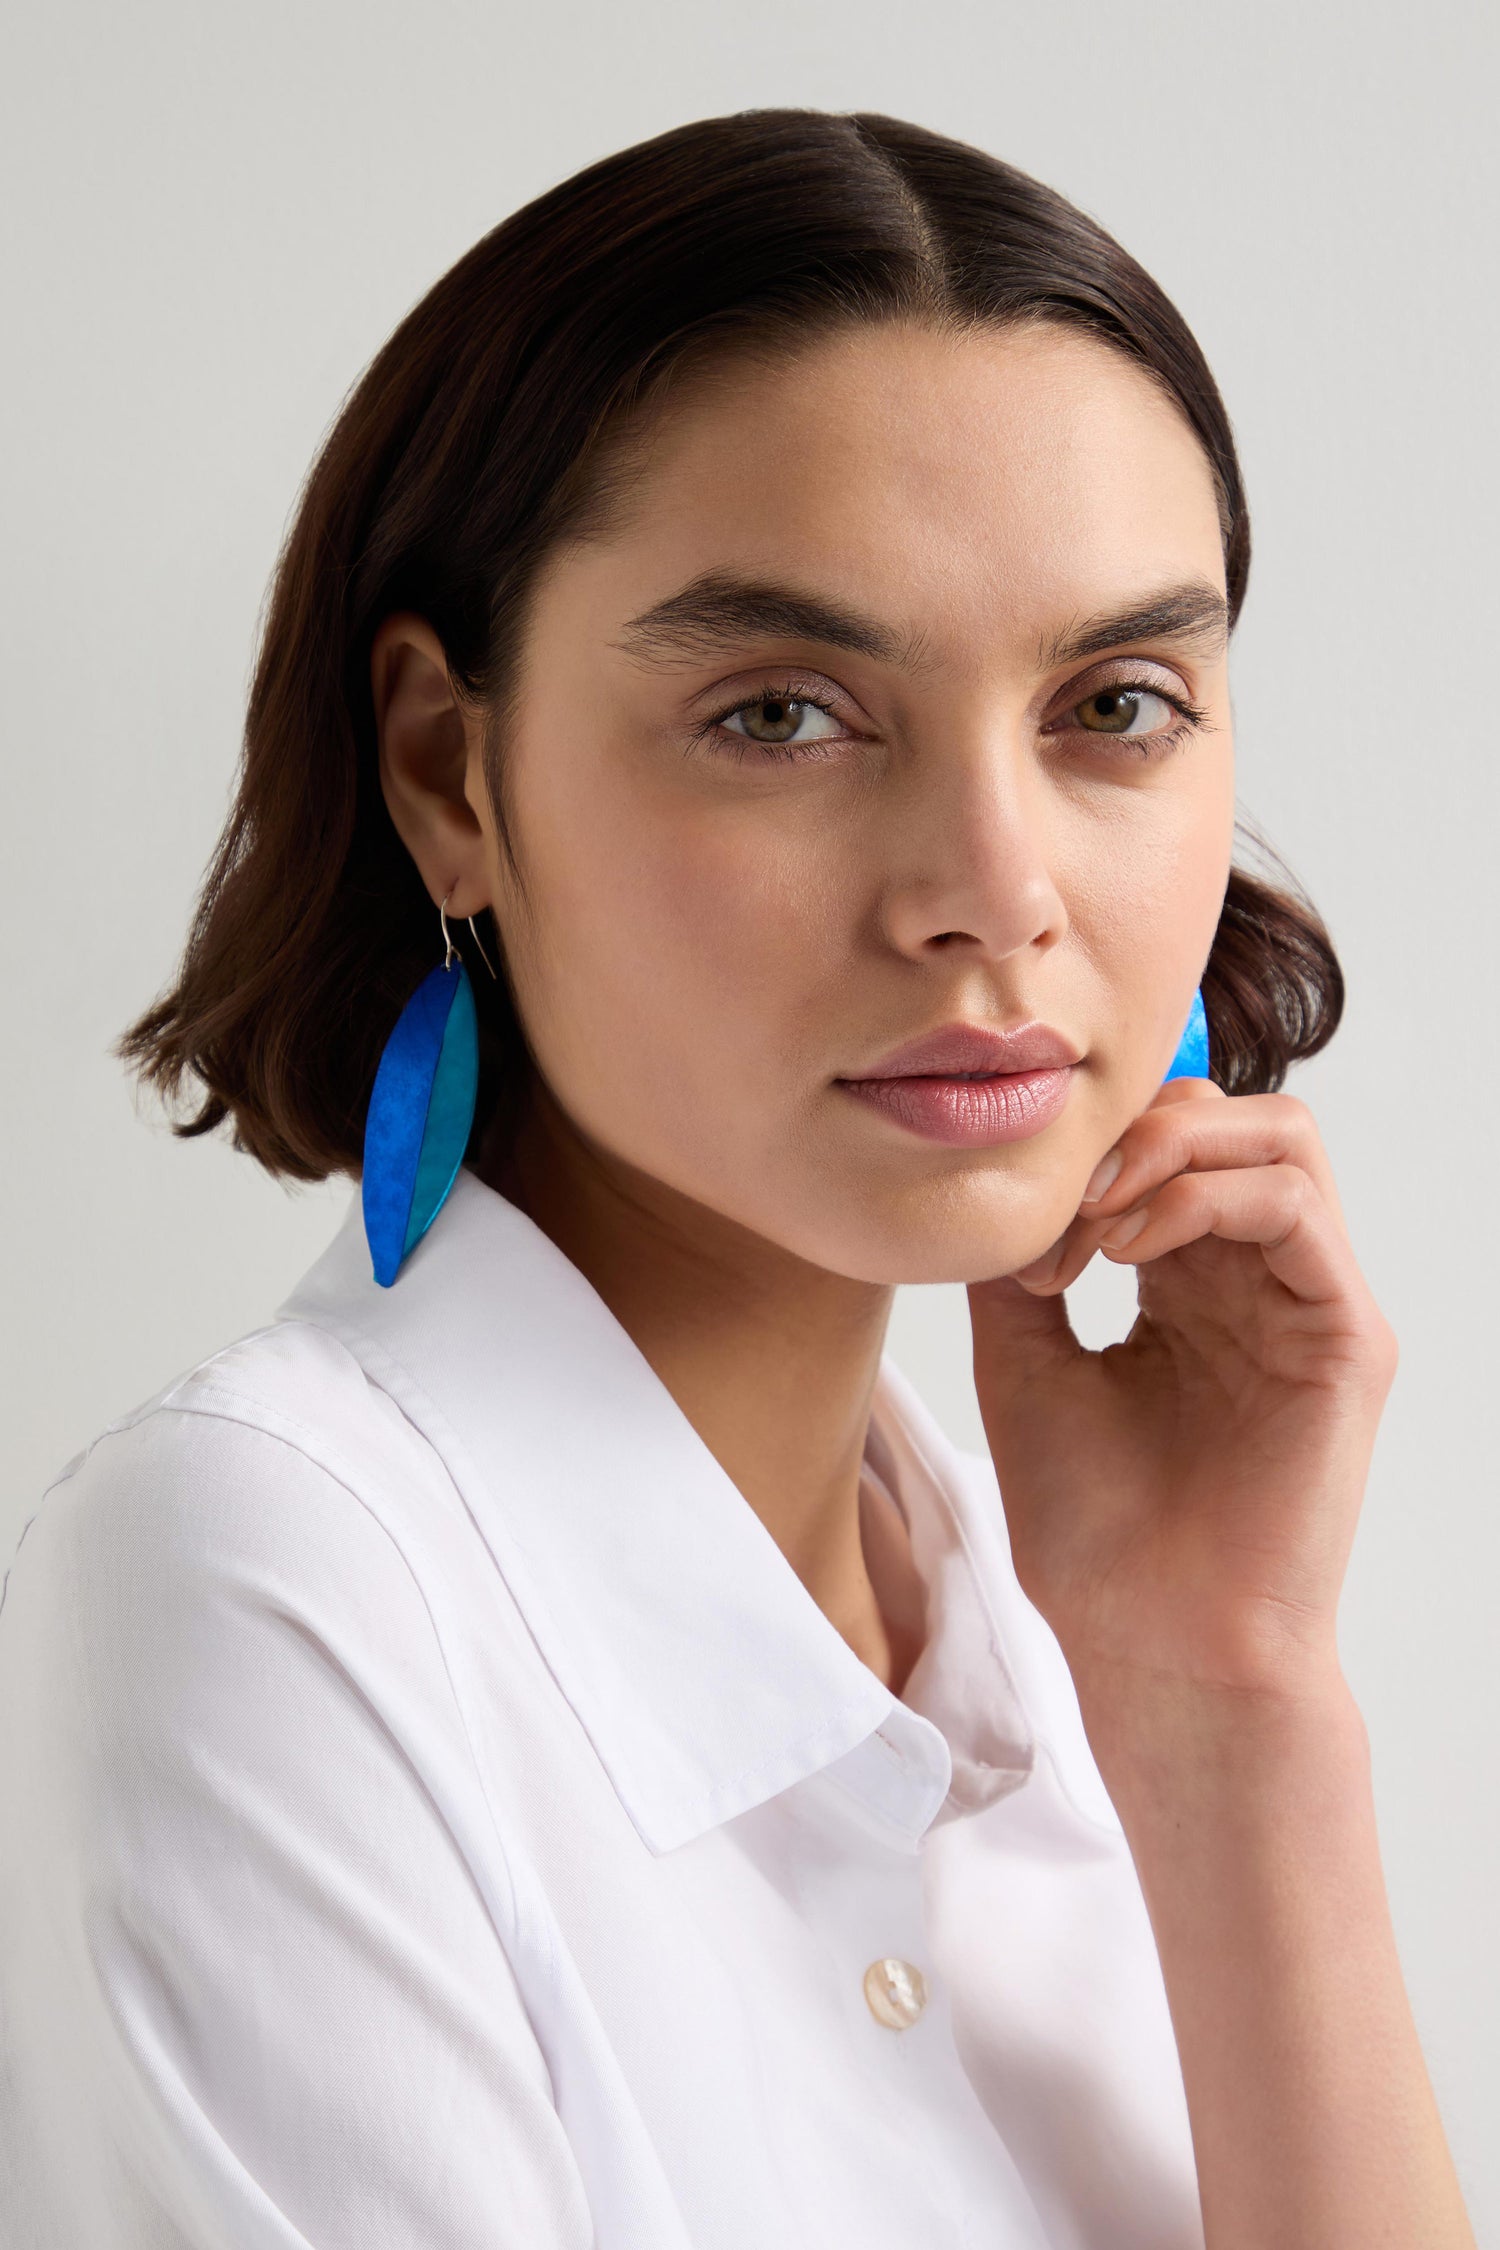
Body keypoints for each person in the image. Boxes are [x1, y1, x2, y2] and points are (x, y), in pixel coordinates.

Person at [0, 107, 1475, 2249]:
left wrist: (1234, 1696)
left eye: (1117, 703)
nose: (995, 893)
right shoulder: (273, 1575)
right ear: (448, 773)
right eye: (785, 713)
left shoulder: (1050, 1627)